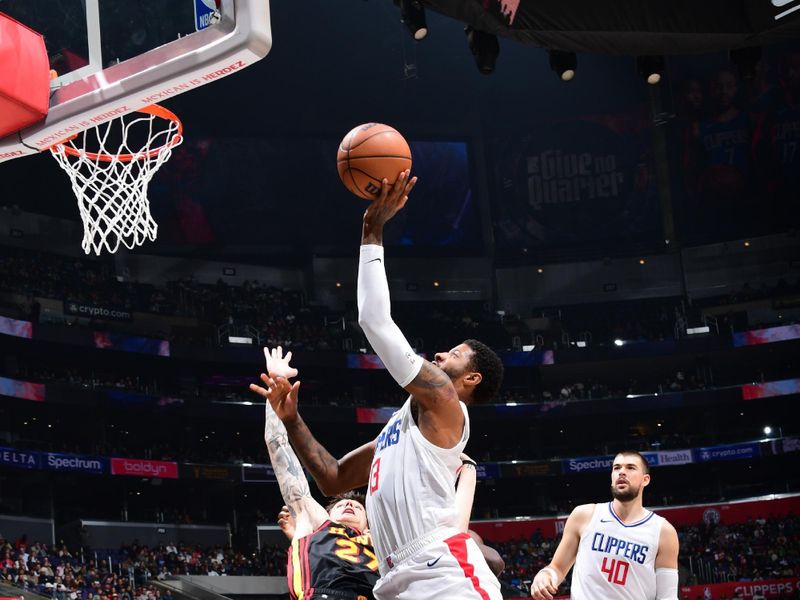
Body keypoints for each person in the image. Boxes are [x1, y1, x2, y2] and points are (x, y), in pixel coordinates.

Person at [251, 172, 505, 600]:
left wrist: (372, 230)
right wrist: (291, 420)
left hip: (442, 570)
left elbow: (374, 322)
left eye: (454, 354)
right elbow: (332, 479)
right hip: (391, 579)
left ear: (471, 379)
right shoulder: (399, 431)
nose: (441, 355)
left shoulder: (446, 401)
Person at [258, 347, 379, 600]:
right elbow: (278, 448)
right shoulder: (315, 522)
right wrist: (276, 400)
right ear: (327, 513)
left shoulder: (383, 542)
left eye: (357, 507)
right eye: (343, 504)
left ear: (369, 522)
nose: (350, 505)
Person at [530, 450, 679, 600]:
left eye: (630, 468)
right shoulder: (584, 515)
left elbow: (667, 597)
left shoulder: (663, 531)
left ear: (645, 480)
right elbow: (557, 568)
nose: (622, 472)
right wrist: (545, 575)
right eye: (616, 468)